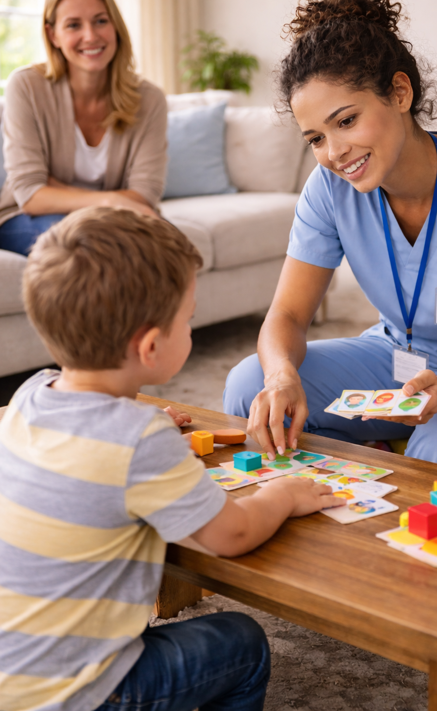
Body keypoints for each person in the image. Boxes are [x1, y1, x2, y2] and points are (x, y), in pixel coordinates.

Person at [0, 207, 343, 711]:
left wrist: (145, 432)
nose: (191, 327)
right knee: (241, 642)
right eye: (189, 319)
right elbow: (233, 535)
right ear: (152, 346)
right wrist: (283, 493)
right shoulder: (137, 439)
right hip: (82, 695)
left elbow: (89, 452)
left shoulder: (29, 397)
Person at [224, 0, 437, 477]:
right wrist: (282, 374)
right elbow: (286, 315)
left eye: (346, 121)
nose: (334, 152)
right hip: (397, 354)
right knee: (249, 386)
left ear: (399, 92)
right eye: (315, 138)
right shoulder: (328, 190)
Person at [0, 0, 166, 255]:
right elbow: (29, 196)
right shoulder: (26, 86)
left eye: (101, 21)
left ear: (115, 26)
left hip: (112, 221)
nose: (90, 36)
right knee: (92, 245)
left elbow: (144, 195)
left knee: (165, 247)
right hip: (25, 219)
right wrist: (114, 199)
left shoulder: (149, 99)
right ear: (53, 35)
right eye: (73, 25)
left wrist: (56, 188)